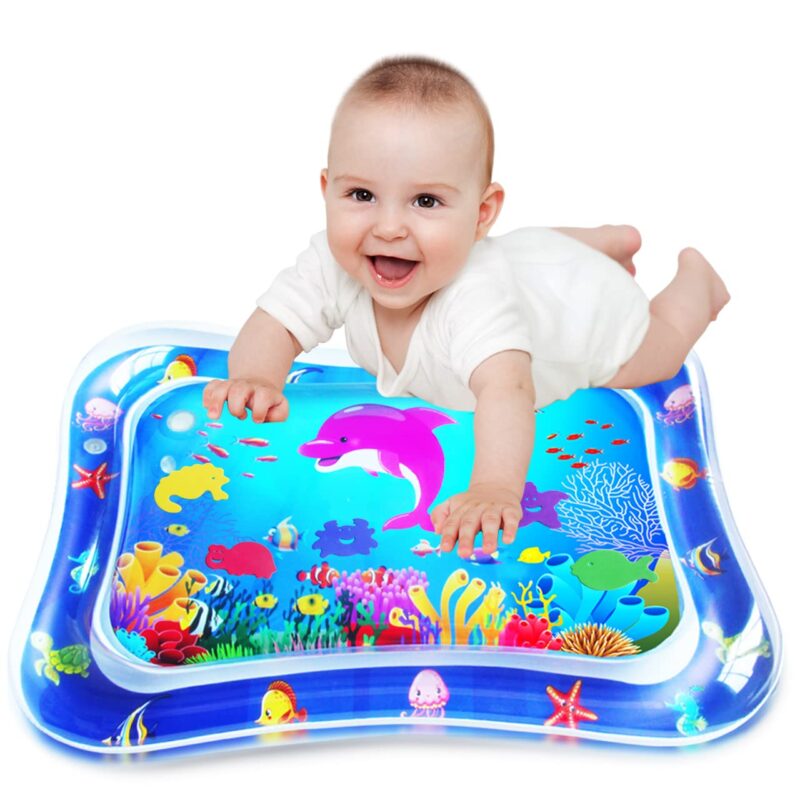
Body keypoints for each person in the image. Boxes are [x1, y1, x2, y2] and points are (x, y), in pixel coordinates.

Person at [202, 55, 729, 558]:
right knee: (517, 255)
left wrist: (494, 487)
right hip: (523, 261)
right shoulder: (335, 260)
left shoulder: (474, 302)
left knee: (653, 352)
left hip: (583, 313)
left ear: (482, 212)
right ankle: (607, 240)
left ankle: (696, 285)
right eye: (361, 195)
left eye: (425, 201)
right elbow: (276, 321)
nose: (387, 226)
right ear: (326, 189)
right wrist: (256, 377)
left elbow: (507, 390)